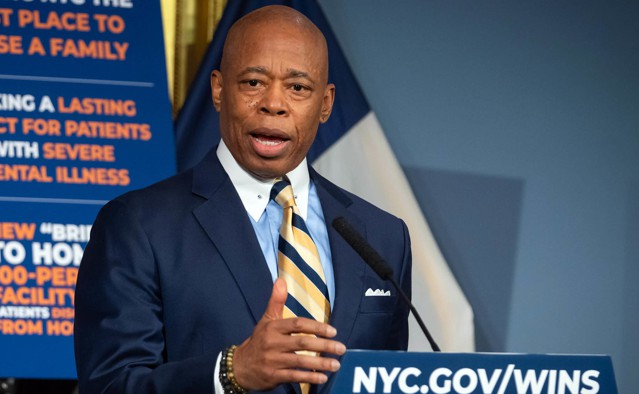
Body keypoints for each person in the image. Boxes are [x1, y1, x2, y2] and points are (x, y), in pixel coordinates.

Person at [74, 5, 411, 394]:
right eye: (253, 83)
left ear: (326, 103)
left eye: (298, 87)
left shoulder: (383, 237)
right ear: (218, 89)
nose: (273, 103)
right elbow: (110, 386)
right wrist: (229, 372)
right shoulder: (138, 226)